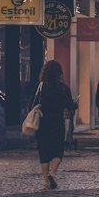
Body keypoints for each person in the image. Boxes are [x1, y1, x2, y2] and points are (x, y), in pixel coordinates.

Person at [33, 59, 76, 190]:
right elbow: (70, 105)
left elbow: (32, 104)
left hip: (42, 124)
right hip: (57, 123)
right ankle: (52, 174)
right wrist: (75, 104)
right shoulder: (63, 88)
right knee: (57, 151)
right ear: (59, 73)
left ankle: (45, 182)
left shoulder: (40, 87)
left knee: (44, 152)